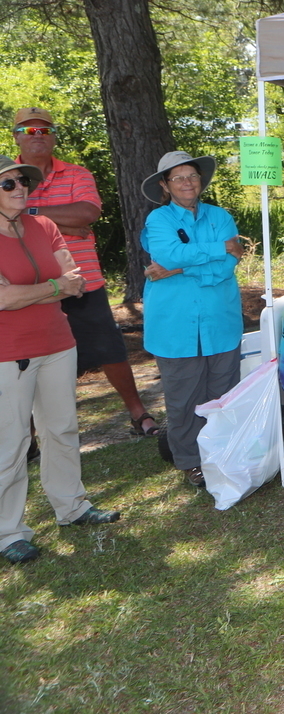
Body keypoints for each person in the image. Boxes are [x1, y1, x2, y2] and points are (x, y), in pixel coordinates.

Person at [11, 106, 160, 439]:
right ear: (15, 135)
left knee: (110, 349)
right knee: (28, 358)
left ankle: (138, 415)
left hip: (82, 280)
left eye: (44, 130)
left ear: (53, 136)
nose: (37, 137)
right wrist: (63, 223)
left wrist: (32, 212)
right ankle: (28, 436)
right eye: (28, 130)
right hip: (31, 286)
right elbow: (8, 220)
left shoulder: (77, 174)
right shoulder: (8, 176)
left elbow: (86, 213)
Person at [0, 155, 121, 565]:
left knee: (63, 429)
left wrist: (37, 290)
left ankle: (72, 507)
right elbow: (4, 298)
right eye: (8, 184)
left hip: (57, 343)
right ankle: (9, 532)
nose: (20, 189)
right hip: (8, 353)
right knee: (13, 441)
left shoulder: (46, 226)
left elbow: (78, 283)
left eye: (23, 182)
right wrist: (54, 286)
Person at [140, 151, 244, 489]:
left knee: (223, 395)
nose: (187, 182)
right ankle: (189, 462)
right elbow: (169, 254)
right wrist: (216, 251)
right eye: (178, 177)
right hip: (175, 325)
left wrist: (180, 268)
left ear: (201, 181)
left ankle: (224, 453)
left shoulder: (221, 217)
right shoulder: (159, 220)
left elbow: (229, 265)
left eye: (192, 176)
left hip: (219, 321)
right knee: (183, 400)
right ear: (165, 186)